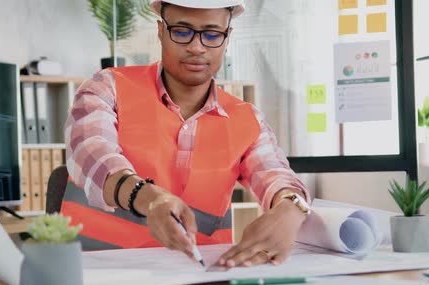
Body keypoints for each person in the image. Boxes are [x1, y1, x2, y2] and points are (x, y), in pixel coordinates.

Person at [63, 0, 311, 268]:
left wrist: (290, 208)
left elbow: (274, 172)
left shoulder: (247, 119)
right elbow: (91, 151)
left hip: (200, 279)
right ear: (161, 31)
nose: (196, 47)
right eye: (181, 31)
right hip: (97, 273)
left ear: (227, 38)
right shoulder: (108, 87)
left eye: (212, 34)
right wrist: (148, 198)